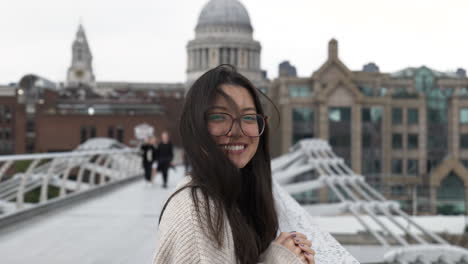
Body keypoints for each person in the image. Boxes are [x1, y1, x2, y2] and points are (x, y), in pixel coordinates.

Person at [153, 65, 315, 264]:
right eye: (219, 116)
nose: (238, 131)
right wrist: (280, 260)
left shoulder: (233, 199)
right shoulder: (196, 212)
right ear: (195, 126)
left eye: (248, 117)